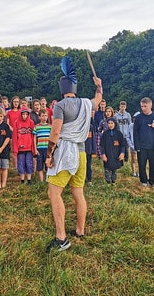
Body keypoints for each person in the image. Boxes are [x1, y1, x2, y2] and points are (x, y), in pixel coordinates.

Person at [45, 56, 102, 253]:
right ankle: (80, 230)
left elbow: (55, 133)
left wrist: (49, 154)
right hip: (82, 153)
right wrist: (99, 86)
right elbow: (98, 100)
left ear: (62, 88)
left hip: (66, 152)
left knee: (54, 193)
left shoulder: (60, 106)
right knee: (78, 192)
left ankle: (61, 238)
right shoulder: (86, 103)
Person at [133, 97, 154, 188]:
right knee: (141, 165)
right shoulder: (138, 118)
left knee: (153, 165)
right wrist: (136, 146)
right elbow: (135, 133)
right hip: (141, 147)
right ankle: (143, 180)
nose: (143, 108)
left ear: (150, 105)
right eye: (142, 106)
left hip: (153, 147)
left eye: (145, 106)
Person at [100, 118, 125, 184]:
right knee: (107, 168)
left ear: (115, 124)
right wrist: (103, 154)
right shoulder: (105, 134)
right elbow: (102, 145)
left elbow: (122, 145)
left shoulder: (119, 133)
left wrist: (122, 153)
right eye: (109, 123)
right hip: (107, 153)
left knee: (114, 168)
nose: (110, 125)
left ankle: (114, 181)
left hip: (116, 153)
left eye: (112, 123)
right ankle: (107, 181)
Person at [14, 106, 35, 185]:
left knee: (29, 163)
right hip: (20, 148)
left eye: (26, 114)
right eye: (23, 114)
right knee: (21, 163)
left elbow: (33, 136)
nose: (25, 116)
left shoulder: (31, 122)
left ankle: (29, 180)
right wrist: (15, 149)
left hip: (29, 147)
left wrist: (33, 148)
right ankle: (22, 180)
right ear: (21, 114)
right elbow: (15, 136)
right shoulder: (16, 122)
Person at [33, 109, 52, 182]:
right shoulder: (36, 127)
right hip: (40, 148)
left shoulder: (50, 126)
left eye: (46, 116)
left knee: (48, 165)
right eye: (43, 116)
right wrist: (35, 149)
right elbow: (34, 138)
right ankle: (41, 181)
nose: (44, 117)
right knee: (39, 166)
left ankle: (48, 180)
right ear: (39, 117)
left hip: (48, 149)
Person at [126, 112, 140, 177]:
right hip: (133, 146)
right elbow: (128, 136)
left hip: (141, 146)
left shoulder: (142, 126)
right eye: (134, 118)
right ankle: (133, 172)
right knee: (133, 159)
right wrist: (131, 146)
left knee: (141, 160)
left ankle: (140, 172)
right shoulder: (131, 126)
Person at [85, 110, 97, 185]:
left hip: (89, 150)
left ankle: (89, 179)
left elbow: (93, 140)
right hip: (80, 151)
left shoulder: (91, 127)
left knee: (88, 166)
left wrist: (94, 150)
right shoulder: (79, 127)